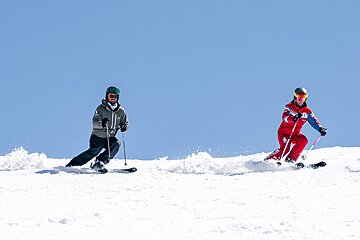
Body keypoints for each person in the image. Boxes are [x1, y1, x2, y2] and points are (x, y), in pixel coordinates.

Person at [66, 86, 128, 172]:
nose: (113, 98)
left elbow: (125, 122)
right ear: (107, 96)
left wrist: (124, 126)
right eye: (111, 96)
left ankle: (100, 162)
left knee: (116, 144)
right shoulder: (101, 108)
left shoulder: (121, 111)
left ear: (118, 98)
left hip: (109, 136)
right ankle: (72, 164)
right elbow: (95, 122)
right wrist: (102, 123)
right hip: (98, 136)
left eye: (115, 97)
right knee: (93, 152)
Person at [264, 87, 327, 164]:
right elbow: (285, 118)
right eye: (299, 97)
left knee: (303, 140)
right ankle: (268, 161)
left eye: (303, 97)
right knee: (285, 149)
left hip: (294, 134)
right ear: (295, 97)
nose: (301, 100)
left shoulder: (307, 111)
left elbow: (314, 122)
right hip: (284, 133)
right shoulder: (289, 107)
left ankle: (290, 160)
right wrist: (294, 118)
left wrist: (320, 129)